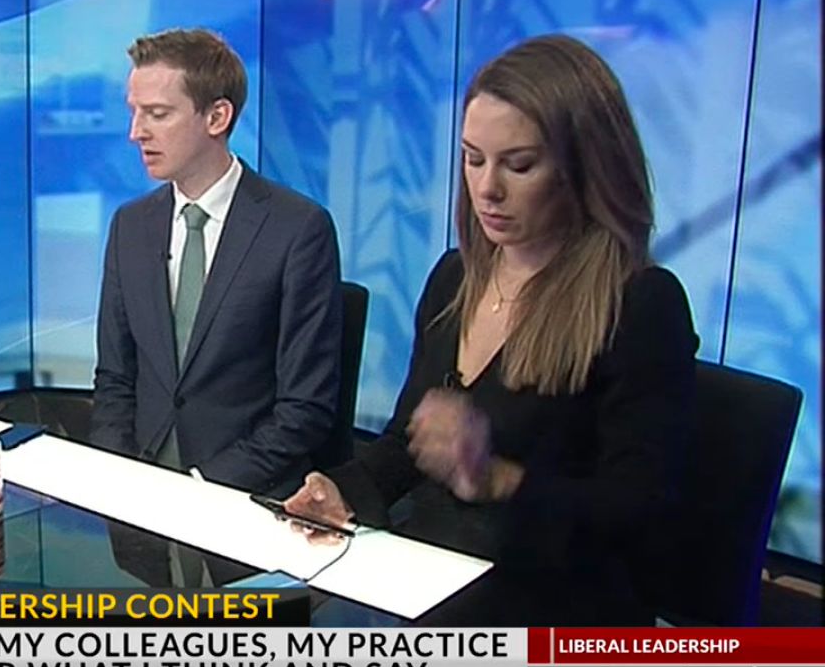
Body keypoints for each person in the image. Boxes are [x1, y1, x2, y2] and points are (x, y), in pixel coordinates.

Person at [284, 34, 699, 626]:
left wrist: (500, 480)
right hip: (425, 582)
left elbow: (640, 513)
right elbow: (408, 444)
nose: (487, 189)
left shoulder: (640, 304)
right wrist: (342, 491)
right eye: (473, 158)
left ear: (582, 167)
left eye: (519, 165)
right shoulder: (454, 277)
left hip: (553, 611)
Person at [91, 28, 343, 501]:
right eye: (134, 112)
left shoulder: (297, 230)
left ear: (217, 117)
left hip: (244, 497)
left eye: (157, 114)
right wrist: (120, 479)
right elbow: (115, 380)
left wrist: (200, 489)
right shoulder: (130, 226)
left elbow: (304, 409)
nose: (136, 132)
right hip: (137, 495)